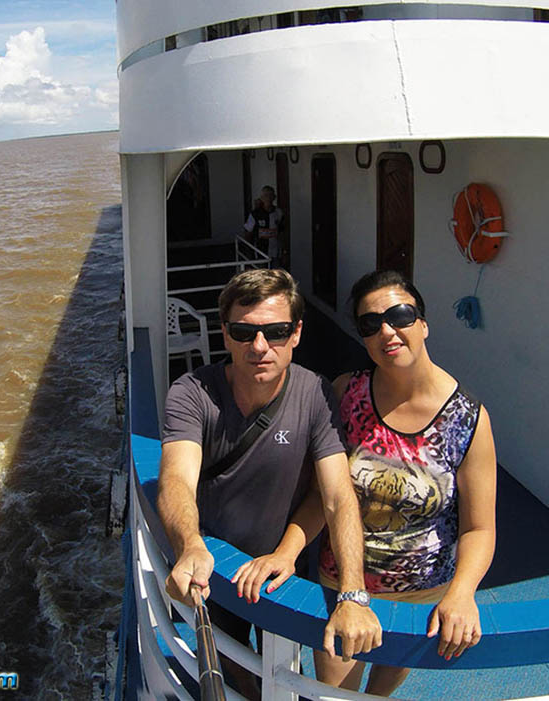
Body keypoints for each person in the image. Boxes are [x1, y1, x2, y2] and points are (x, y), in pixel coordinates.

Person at [233, 269, 497, 696]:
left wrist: (463, 593)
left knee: (377, 692)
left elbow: (479, 528)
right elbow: (325, 496)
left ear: (424, 323)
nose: (387, 331)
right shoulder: (346, 394)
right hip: (341, 583)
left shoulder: (468, 419)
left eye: (400, 315)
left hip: (424, 596)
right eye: (370, 324)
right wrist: (287, 550)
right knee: (338, 696)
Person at [158, 268, 382, 699]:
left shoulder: (315, 393)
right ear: (225, 334)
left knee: (284, 661)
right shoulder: (191, 393)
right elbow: (176, 479)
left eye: (276, 332)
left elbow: (335, 495)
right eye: (244, 333)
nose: (259, 347)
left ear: (296, 333)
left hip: (280, 570)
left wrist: (352, 591)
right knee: (232, 663)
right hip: (214, 565)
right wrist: (189, 544)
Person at [243, 186, 283, 266]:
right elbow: (248, 234)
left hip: (275, 253)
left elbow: (282, 231)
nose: (268, 198)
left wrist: (285, 251)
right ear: (261, 198)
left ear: (274, 197)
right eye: (265, 195)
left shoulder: (278, 212)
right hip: (260, 253)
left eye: (270, 195)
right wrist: (249, 255)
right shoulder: (255, 214)